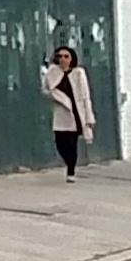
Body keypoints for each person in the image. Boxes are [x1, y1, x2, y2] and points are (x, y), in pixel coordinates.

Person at [42, 44, 94, 179]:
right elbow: (46, 90)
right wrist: (53, 96)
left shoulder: (78, 73)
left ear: (72, 58)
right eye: (60, 56)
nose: (63, 59)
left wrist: (89, 117)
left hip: (76, 112)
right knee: (60, 143)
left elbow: (85, 95)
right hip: (61, 113)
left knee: (72, 144)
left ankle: (71, 170)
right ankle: (68, 162)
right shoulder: (52, 73)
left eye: (66, 56)